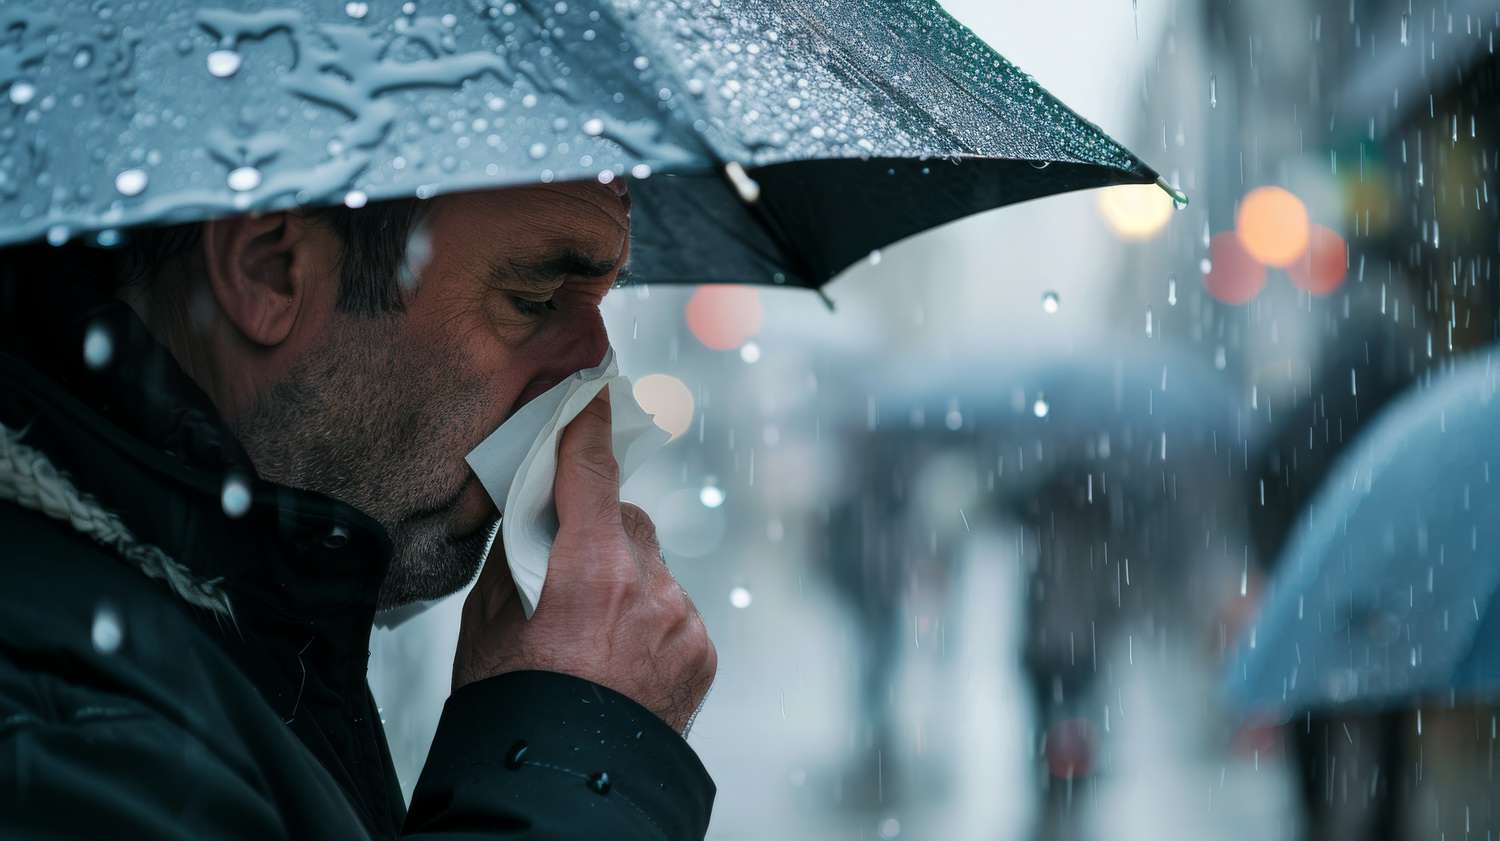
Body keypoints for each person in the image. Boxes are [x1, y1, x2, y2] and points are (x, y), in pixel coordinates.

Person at [0, 181, 718, 839]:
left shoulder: (260, 622)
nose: (594, 374)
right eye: (532, 300)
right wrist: (572, 755)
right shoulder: (59, 718)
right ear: (269, 267)